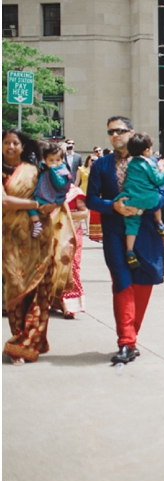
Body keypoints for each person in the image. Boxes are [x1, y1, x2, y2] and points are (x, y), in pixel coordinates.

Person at [86, 116, 164, 364]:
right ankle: (126, 342)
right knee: (121, 282)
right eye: (110, 132)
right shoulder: (101, 165)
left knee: (143, 283)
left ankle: (131, 338)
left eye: (120, 131)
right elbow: (91, 200)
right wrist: (114, 206)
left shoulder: (150, 162)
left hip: (146, 230)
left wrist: (146, 205)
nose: (115, 136)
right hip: (114, 231)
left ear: (131, 133)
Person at [2, 130, 74, 364]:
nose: (11, 147)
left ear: (23, 147)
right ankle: (20, 337)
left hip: (39, 237)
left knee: (39, 290)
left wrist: (53, 203)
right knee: (15, 290)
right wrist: (34, 204)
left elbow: (58, 193)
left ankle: (25, 344)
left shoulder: (36, 170)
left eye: (15, 143)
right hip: (10, 239)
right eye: (6, 143)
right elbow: (4, 201)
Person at [115, 133, 164, 268]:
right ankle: (159, 223)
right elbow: (158, 179)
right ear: (146, 150)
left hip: (131, 198)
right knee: (157, 197)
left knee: (131, 225)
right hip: (148, 198)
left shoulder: (130, 163)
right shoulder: (148, 163)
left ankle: (129, 251)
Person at [55, 182, 90, 318]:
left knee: (72, 266)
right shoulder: (44, 189)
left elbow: (84, 213)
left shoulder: (74, 192)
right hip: (52, 234)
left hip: (72, 234)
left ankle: (71, 305)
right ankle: (57, 302)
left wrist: (66, 215)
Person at [28, 141, 72, 238]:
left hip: (50, 200)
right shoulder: (42, 168)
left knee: (30, 204)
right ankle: (37, 223)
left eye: (57, 160)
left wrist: (53, 171)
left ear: (62, 160)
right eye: (51, 160)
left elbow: (60, 185)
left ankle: (36, 223)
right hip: (43, 199)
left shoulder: (62, 171)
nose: (54, 163)